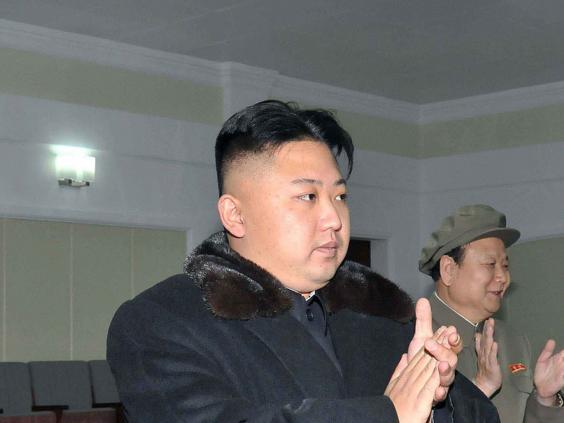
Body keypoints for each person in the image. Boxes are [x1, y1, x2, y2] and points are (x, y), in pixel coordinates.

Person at [107, 101, 499, 422]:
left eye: (339, 197)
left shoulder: (378, 312)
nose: (334, 219)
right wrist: (388, 415)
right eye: (308, 197)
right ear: (235, 215)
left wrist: (435, 402)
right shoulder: (163, 320)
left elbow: (482, 416)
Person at [419, 204, 564, 423]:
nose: (503, 277)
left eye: (505, 266)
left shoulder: (511, 339)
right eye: (490, 264)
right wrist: (478, 391)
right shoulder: (414, 341)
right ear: (449, 270)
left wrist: (544, 399)